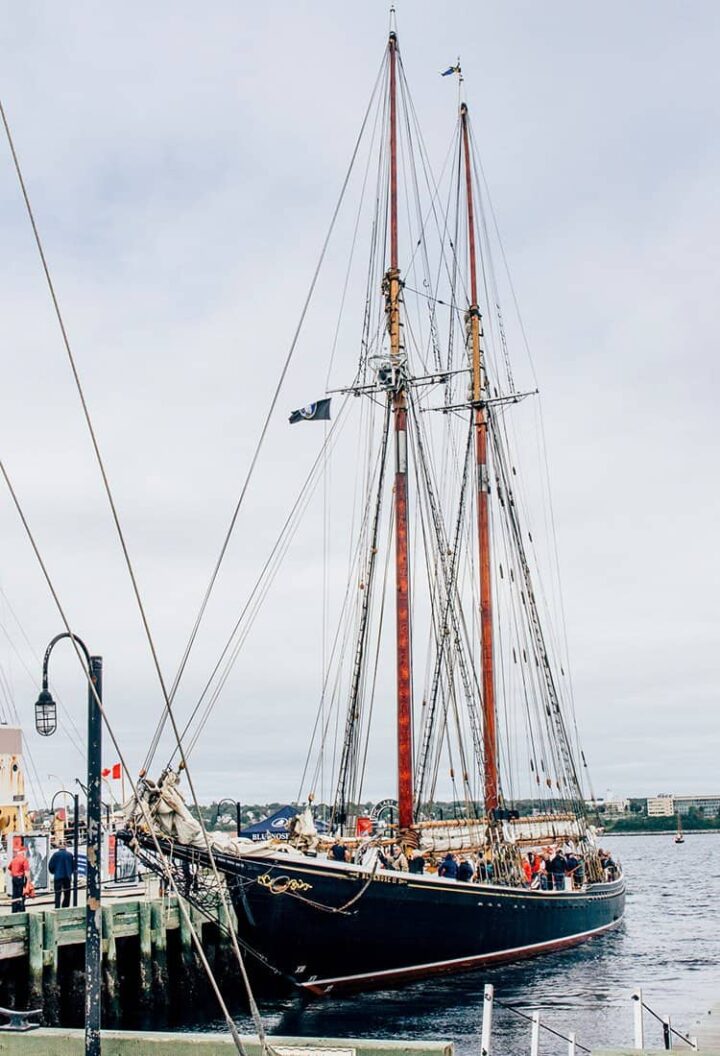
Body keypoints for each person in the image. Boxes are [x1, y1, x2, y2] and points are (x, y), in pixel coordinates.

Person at [48, 842, 75, 908]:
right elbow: (73, 866)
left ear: (59, 847)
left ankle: (57, 907)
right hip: (67, 876)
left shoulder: (55, 855)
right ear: (66, 847)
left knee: (57, 893)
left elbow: (50, 865)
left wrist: (53, 872)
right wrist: (70, 872)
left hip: (58, 876)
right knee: (67, 894)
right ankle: (65, 907)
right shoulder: (70, 855)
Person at [8, 845, 30, 913]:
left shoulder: (14, 859)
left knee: (15, 894)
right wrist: (28, 882)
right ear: (23, 852)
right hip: (21, 878)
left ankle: (14, 909)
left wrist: (14, 875)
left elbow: (9, 870)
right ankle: (21, 909)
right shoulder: (24, 859)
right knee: (21, 895)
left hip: (14, 879)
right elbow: (27, 873)